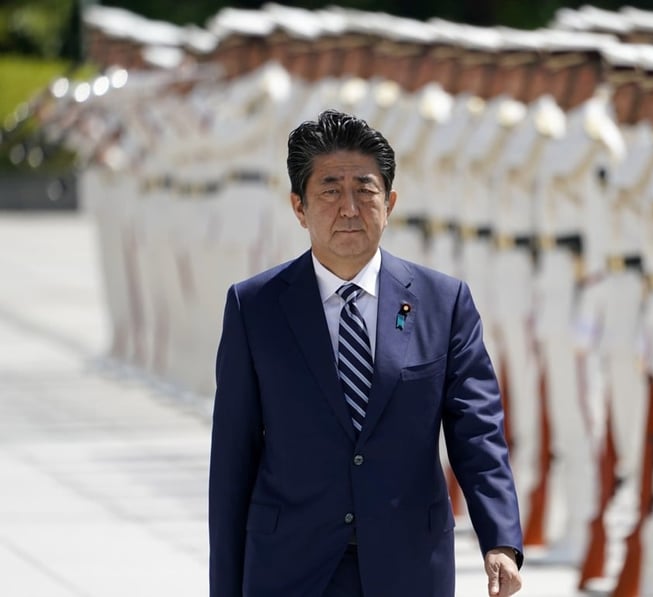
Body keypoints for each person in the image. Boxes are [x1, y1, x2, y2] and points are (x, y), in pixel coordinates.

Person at [208, 110, 524, 597]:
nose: (350, 208)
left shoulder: (443, 303)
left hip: (409, 567)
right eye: (330, 191)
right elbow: (232, 463)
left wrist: (500, 538)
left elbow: (478, 433)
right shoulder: (255, 308)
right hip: (291, 567)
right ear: (299, 207)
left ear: (390, 201)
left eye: (366, 190)